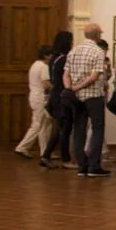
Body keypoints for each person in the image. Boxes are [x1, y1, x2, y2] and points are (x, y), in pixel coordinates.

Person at [64, 23, 110, 178]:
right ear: (97, 35)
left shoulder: (73, 51)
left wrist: (71, 88)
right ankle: (93, 166)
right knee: (97, 129)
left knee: (79, 129)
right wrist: (78, 87)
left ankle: (81, 166)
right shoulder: (98, 51)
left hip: (77, 97)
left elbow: (66, 73)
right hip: (94, 95)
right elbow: (94, 76)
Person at [40, 31, 74, 169]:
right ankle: (64, 159)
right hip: (61, 96)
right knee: (64, 128)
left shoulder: (54, 58)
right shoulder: (64, 59)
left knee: (59, 127)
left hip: (55, 95)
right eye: (71, 41)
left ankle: (47, 156)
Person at [14, 45, 54, 159]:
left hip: (34, 96)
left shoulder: (35, 65)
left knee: (44, 125)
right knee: (38, 125)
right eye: (50, 54)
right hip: (41, 98)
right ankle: (22, 147)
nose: (52, 57)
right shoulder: (44, 67)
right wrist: (56, 89)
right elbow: (46, 83)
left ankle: (45, 152)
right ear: (46, 55)